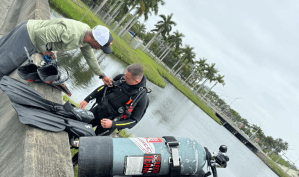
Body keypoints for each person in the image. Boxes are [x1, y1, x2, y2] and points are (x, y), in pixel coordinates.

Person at [0, 18, 112, 85]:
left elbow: (91, 58)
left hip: (29, 30)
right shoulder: (69, 32)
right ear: (95, 39)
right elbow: (39, 35)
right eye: (101, 47)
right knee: (3, 65)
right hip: (28, 36)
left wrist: (102, 76)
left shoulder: (86, 39)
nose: (99, 49)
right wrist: (44, 52)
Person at [79, 63, 149, 136]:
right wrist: (87, 99)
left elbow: (133, 121)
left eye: (127, 77)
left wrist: (113, 124)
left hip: (109, 122)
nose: (124, 77)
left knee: (91, 143)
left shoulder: (142, 98)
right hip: (98, 110)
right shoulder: (121, 78)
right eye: (125, 75)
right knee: (78, 127)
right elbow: (104, 88)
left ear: (136, 81)